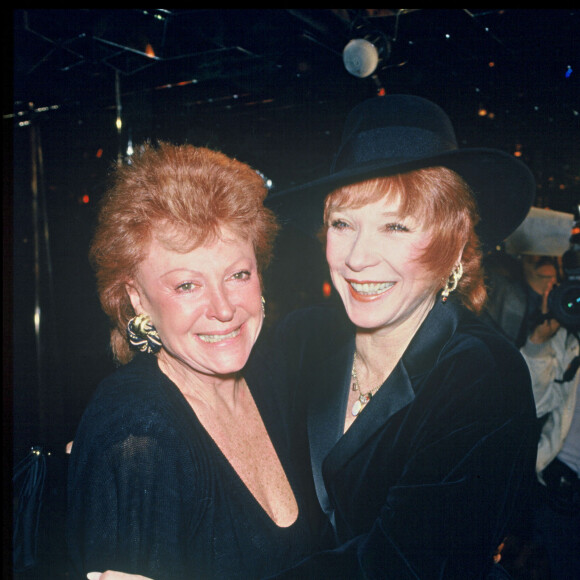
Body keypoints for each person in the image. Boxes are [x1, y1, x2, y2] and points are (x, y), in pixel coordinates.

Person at [91, 95, 539, 579]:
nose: (359, 257)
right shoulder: (306, 338)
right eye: (343, 224)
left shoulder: (481, 373)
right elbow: (192, 369)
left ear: (453, 242)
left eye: (395, 226)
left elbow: (406, 567)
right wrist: (120, 433)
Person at [66, 143, 327, 579]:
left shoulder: (273, 379)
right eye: (187, 285)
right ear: (136, 297)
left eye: (237, 274)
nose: (223, 308)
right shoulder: (138, 434)